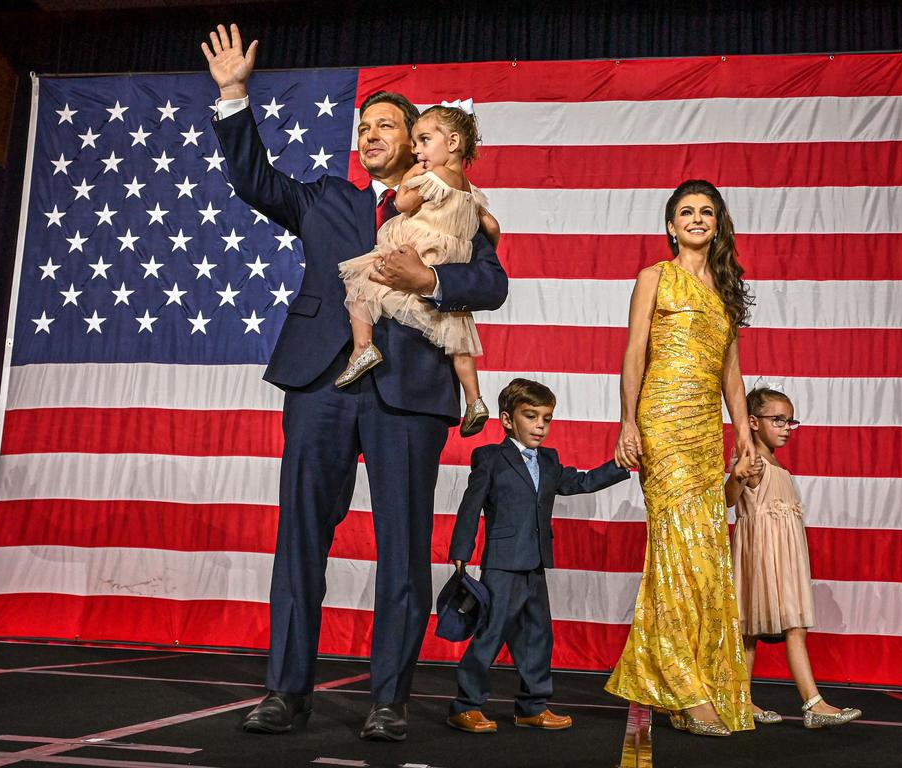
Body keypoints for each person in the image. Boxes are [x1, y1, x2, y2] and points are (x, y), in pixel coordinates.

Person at [201, 24, 508, 741]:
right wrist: (233, 94)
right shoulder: (327, 200)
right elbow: (254, 180)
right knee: (300, 539)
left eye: (387, 126)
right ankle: (286, 692)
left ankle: (388, 702)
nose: (371, 134)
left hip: (411, 391)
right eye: (364, 126)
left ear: (417, 140)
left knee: (402, 548)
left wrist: (432, 277)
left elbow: (491, 283)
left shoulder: (451, 200)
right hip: (321, 384)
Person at [605, 179, 756, 737]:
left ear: (717, 225)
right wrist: (627, 423)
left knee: (707, 553)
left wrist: (743, 434)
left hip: (703, 431)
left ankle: (702, 681)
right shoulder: (654, 277)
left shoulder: (725, 287)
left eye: (706, 212)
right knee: (677, 547)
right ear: (670, 226)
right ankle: (685, 689)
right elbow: (634, 352)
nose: (696, 219)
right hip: (662, 424)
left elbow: (732, 375)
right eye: (686, 212)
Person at [445, 379, 632, 733]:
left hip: (536, 563)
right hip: (502, 563)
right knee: (490, 633)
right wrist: (461, 551)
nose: (540, 426)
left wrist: (619, 465)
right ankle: (465, 706)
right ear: (506, 419)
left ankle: (532, 706)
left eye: (546, 418)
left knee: (537, 635)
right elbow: (471, 506)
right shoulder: (490, 458)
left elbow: (581, 482)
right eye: (531, 416)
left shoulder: (549, 460)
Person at [335, 104, 500, 438]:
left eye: (423, 140)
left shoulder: (431, 177)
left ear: (452, 143)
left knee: (362, 281)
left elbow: (403, 205)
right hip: (450, 256)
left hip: (416, 248)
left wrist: (409, 180)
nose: (417, 149)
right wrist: (468, 246)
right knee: (458, 339)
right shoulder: (471, 191)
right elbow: (492, 225)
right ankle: (474, 400)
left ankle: (362, 347)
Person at [725, 387, 863, 729]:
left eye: (790, 421)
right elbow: (728, 499)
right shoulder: (752, 461)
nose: (786, 427)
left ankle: (741, 702)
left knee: (757, 632)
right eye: (778, 420)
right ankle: (812, 703)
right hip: (763, 554)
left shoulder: (773, 462)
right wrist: (738, 475)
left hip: (783, 554)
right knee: (776, 629)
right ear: (754, 422)